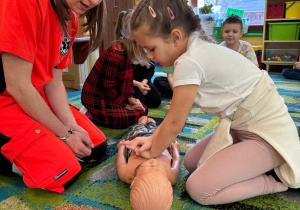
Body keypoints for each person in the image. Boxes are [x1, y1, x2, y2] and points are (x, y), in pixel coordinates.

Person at [122, 0, 300, 205]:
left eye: (151, 49)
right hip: (241, 128)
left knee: (198, 189)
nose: (149, 56)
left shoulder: (189, 62)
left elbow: (174, 123)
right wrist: (152, 139)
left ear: (175, 37)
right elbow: (171, 123)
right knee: (190, 163)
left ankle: (271, 180)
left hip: (267, 137)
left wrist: (151, 153)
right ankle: (252, 162)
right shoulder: (194, 49)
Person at [0, 0, 107, 193]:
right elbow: (18, 86)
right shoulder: (23, 3)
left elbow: (54, 82)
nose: (93, 1)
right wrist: (64, 135)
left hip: (35, 98)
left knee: (95, 148)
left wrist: (71, 127)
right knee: (64, 172)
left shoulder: (70, 19)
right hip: (6, 103)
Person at [81, 10, 149, 129]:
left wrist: (130, 99)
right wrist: (124, 105)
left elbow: (128, 81)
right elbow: (108, 88)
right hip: (96, 97)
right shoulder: (115, 53)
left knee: (143, 109)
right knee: (123, 119)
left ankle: (104, 113)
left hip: (114, 96)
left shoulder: (131, 55)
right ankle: (91, 115)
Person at [117, 116, 181, 210]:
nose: (153, 162)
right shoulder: (172, 177)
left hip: (137, 138)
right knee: (157, 130)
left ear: (133, 182)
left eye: (150, 167)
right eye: (158, 169)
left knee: (138, 128)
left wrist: (121, 147)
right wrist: (176, 149)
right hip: (159, 141)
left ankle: (141, 123)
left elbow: (121, 158)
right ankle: (152, 124)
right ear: (168, 183)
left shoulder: (126, 174)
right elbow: (176, 160)